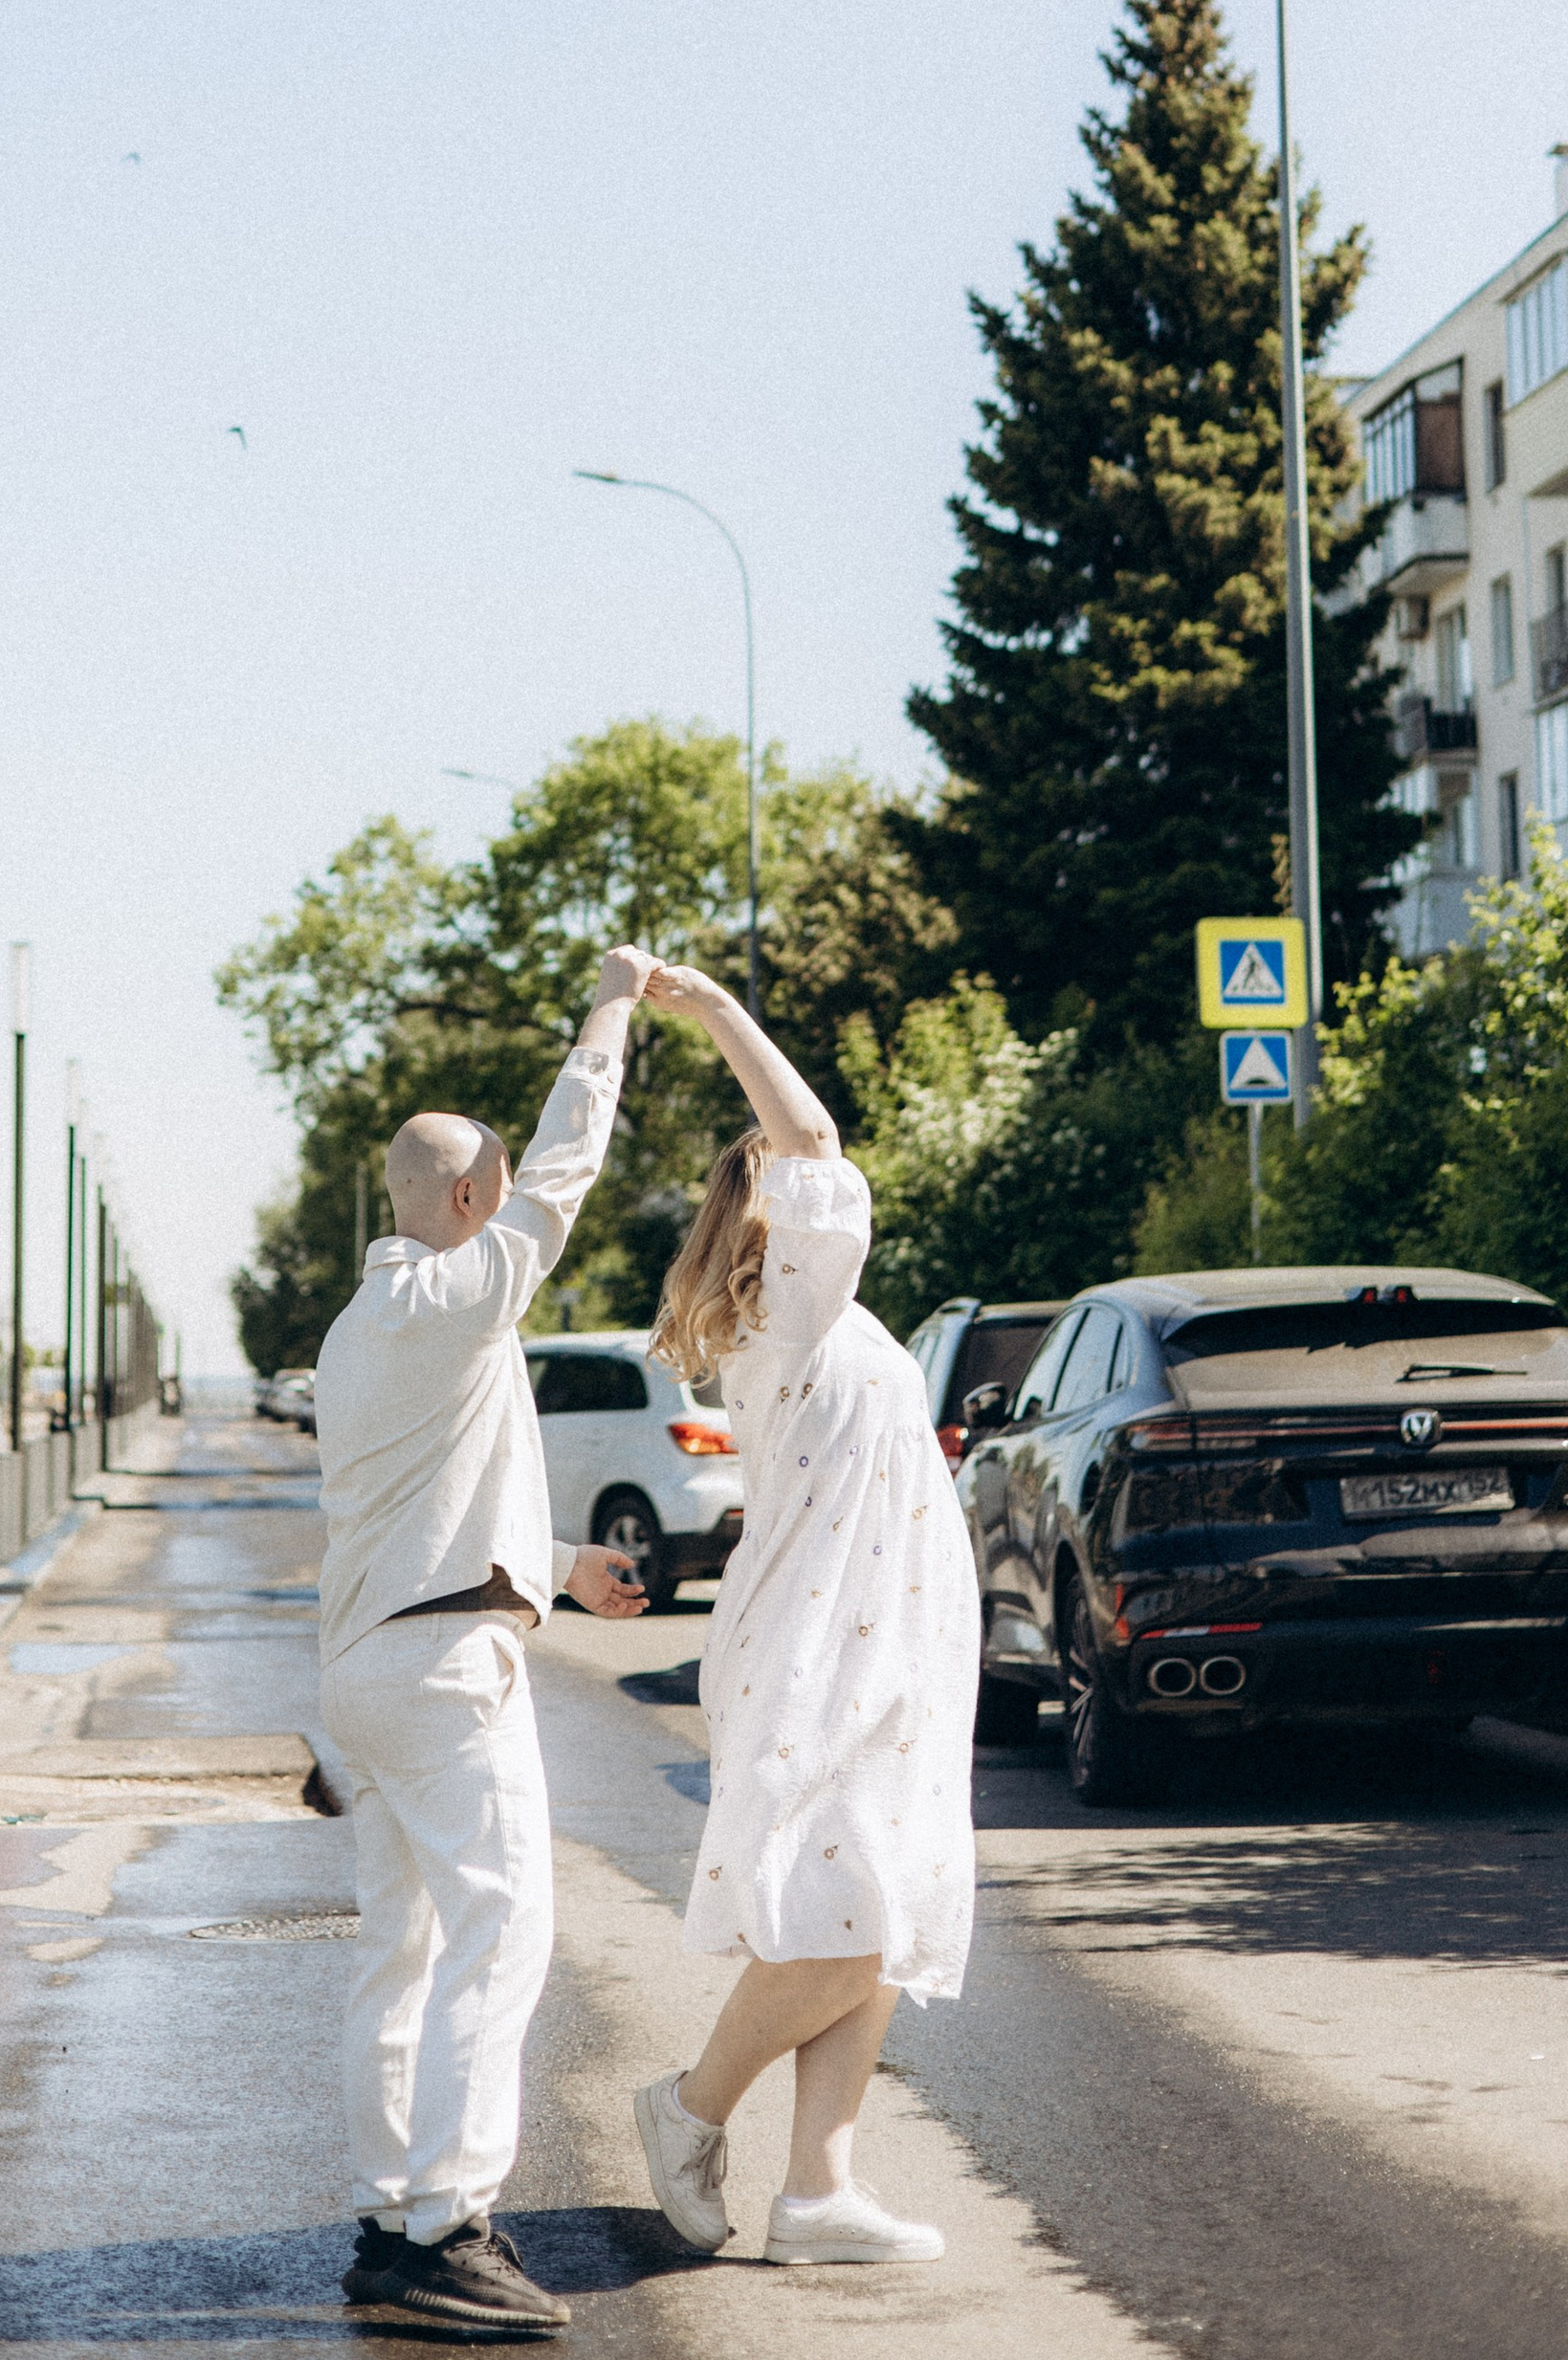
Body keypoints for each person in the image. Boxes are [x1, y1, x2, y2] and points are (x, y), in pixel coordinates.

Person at [316, 946, 658, 2342]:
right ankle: (449, 2226)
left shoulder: (372, 1325)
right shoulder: (451, 1295)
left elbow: (434, 1499)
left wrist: (563, 1566)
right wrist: (614, 1006)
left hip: (384, 1659)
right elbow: (570, 1170)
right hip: (442, 1674)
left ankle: (393, 2221)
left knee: (401, 1947)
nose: (517, 1213)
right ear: (468, 1201)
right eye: (499, 1198)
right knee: (502, 1926)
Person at [629, 963, 979, 2270]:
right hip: (831, 1657)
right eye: (793, 1172)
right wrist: (719, 1009)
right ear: (776, 1204)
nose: (823, 1178)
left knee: (872, 1916)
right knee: (860, 1921)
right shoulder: (797, 1308)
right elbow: (819, 1139)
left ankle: (820, 2189)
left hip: (875, 1652)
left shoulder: (814, 1318)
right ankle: (687, 2108)